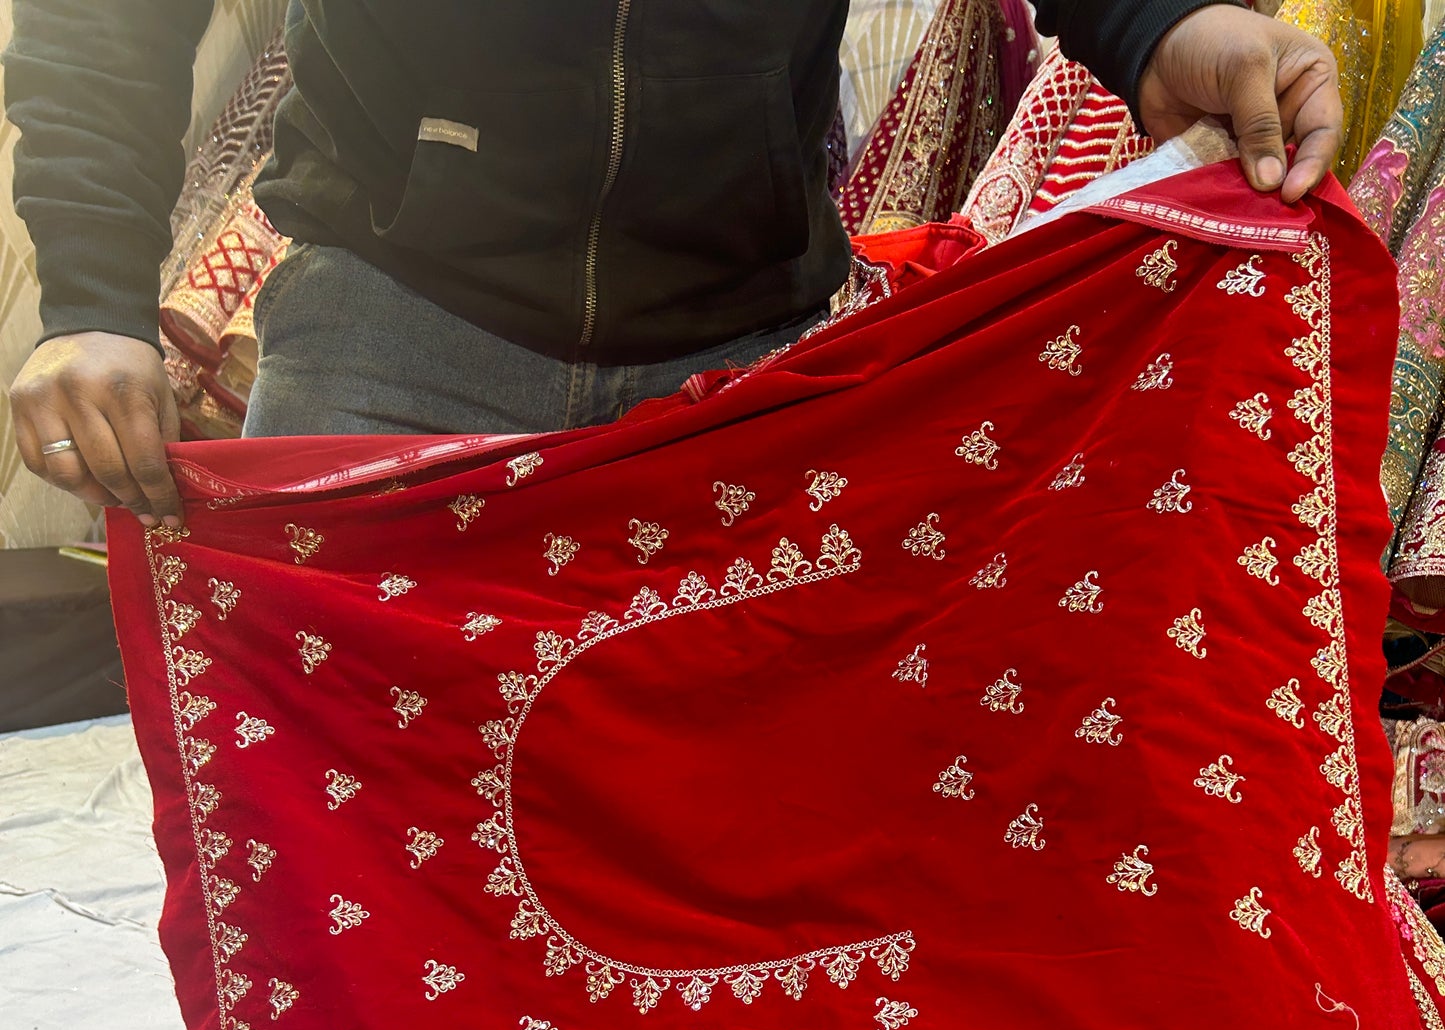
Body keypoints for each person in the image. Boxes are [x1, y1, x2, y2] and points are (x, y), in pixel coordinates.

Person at [6, 2, 1342, 528]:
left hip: (733, 378)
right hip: (388, 342)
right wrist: (93, 304)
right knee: (344, 880)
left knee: (704, 882)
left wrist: (1160, 23)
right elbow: (104, 20)